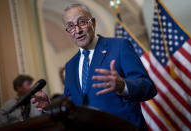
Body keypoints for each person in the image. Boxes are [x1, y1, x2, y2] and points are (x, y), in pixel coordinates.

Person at [62, 3, 157, 131]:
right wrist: (49, 106)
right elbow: (70, 103)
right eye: (71, 26)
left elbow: (148, 87)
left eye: (82, 22)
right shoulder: (70, 66)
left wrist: (123, 86)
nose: (77, 30)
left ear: (93, 23)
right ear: (68, 32)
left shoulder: (120, 47)